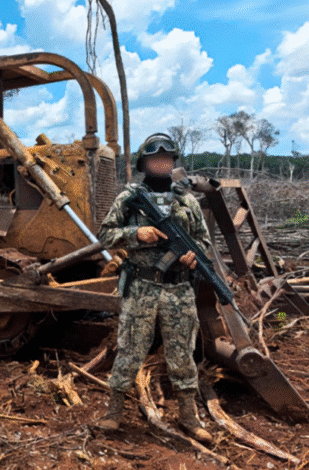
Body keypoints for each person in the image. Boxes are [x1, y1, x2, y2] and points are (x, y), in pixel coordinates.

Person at [96, 133, 213, 444]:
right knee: (130, 349)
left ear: (173, 163)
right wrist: (138, 233)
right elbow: (105, 235)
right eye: (154, 159)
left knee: (182, 354)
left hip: (178, 291)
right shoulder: (128, 198)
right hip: (142, 287)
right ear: (144, 163)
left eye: (167, 159)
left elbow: (204, 242)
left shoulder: (187, 201)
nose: (161, 164)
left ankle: (188, 417)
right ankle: (113, 413)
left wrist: (193, 256)